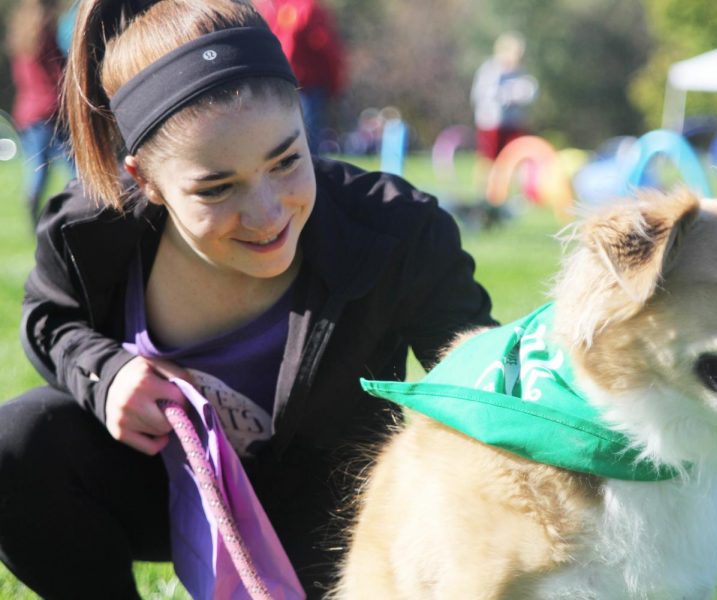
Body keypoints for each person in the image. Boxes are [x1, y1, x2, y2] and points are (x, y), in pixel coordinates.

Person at [0, 1, 494, 598]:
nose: (266, 214)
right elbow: (49, 318)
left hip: (334, 522)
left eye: (286, 160)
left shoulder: (397, 232)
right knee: (17, 443)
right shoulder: (90, 231)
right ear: (146, 179)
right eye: (216, 187)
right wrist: (107, 374)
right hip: (160, 488)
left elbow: (481, 382)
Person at [5, 0, 75, 227]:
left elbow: (20, 77)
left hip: (28, 111)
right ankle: (85, 204)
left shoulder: (22, 33)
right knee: (75, 167)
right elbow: (57, 72)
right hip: (50, 109)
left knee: (37, 168)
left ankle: (33, 207)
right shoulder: (46, 31)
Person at [255, 0, 346, 155]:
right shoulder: (307, 7)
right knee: (306, 144)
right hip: (304, 88)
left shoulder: (266, 8)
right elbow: (328, 50)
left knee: (282, 144)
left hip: (278, 86)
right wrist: (334, 84)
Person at [470, 31, 538, 162]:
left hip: (513, 122)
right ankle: (486, 182)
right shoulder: (490, 70)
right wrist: (506, 97)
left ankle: (505, 182)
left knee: (513, 157)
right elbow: (482, 95)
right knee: (489, 159)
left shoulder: (520, 72)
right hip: (491, 123)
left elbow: (530, 91)